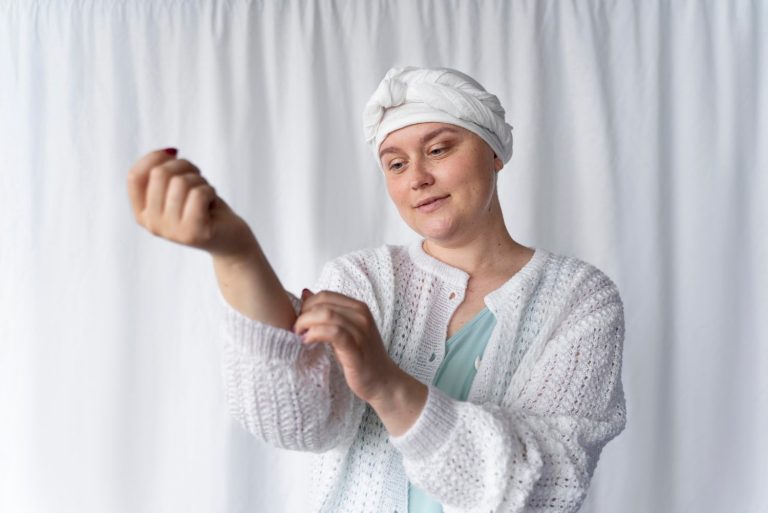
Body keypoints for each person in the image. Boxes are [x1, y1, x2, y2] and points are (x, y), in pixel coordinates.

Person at [127, 66, 626, 513]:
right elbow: (296, 424)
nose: (419, 179)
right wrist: (236, 252)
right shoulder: (362, 280)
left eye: (438, 149)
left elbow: (549, 489)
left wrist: (387, 384)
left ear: (494, 153)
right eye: (396, 163)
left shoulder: (578, 299)